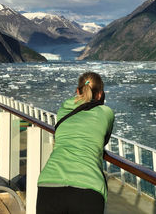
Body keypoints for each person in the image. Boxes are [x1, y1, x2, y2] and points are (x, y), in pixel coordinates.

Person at [36, 71, 114, 214]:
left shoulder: (63, 110)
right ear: (100, 94)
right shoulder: (106, 113)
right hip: (88, 187)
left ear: (77, 91)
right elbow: (103, 139)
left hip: (49, 184)